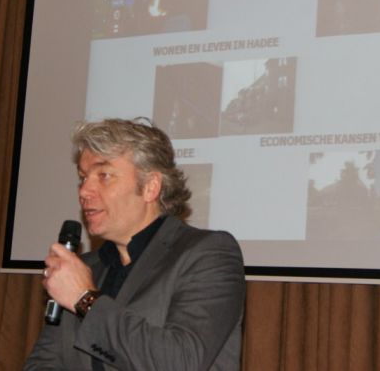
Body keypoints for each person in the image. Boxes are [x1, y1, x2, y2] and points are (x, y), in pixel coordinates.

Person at [24, 118, 246, 370]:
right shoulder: (85, 269)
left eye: (104, 175)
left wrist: (85, 299)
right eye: (83, 178)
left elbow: (181, 361)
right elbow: (43, 363)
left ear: (151, 187)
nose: (84, 191)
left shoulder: (207, 254)